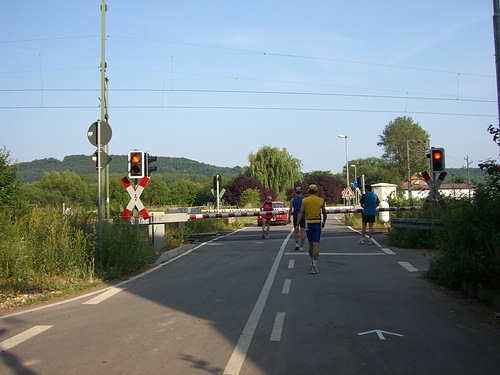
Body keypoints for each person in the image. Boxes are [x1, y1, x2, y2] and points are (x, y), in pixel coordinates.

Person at [296, 184, 327, 274]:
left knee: (310, 244)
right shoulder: (320, 200)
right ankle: (314, 265)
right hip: (317, 223)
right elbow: (324, 213)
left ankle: (312, 261)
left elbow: (301, 212)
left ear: (308, 191)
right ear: (316, 191)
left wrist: (297, 224)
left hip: (308, 223)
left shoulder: (305, 200)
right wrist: (324, 221)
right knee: (316, 244)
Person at [288, 186, 306, 251]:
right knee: (303, 231)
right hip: (303, 216)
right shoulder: (304, 199)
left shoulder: (293, 199)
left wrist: (289, 218)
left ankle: (296, 244)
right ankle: (301, 246)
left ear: (295, 192)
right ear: (302, 191)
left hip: (295, 216)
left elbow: (290, 209)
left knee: (296, 230)